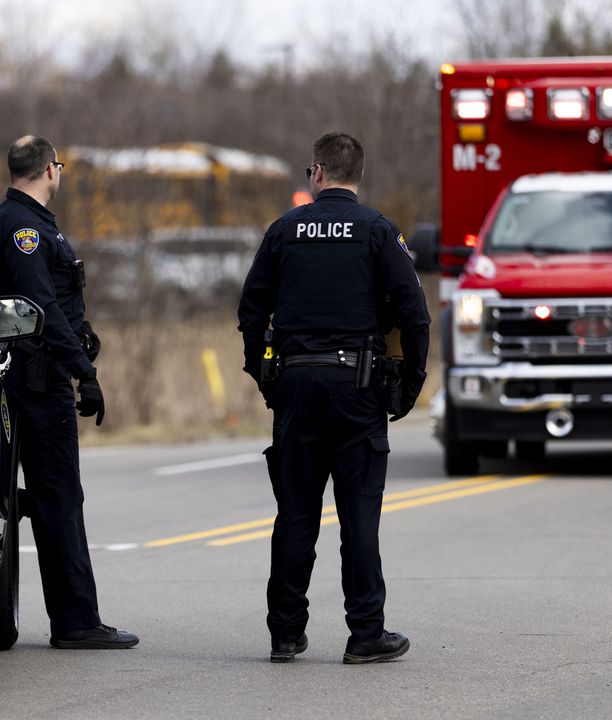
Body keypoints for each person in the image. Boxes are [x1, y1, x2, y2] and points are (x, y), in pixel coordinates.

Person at [237, 131, 431, 664]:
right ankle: (366, 634)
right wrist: (410, 384)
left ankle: (285, 634)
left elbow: (250, 311)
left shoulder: (284, 230)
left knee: (295, 514)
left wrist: (265, 377)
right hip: (358, 389)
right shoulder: (377, 230)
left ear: (317, 173)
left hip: (297, 387)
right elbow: (414, 313)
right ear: (357, 175)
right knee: (359, 517)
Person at [0, 135, 138, 649]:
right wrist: (83, 371)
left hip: (28, 373)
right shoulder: (25, 228)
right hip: (40, 379)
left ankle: (56, 616)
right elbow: (39, 305)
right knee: (59, 496)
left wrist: (81, 334)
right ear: (50, 169)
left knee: (25, 499)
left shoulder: (10, 220)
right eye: (60, 166)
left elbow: (50, 300)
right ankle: (76, 621)